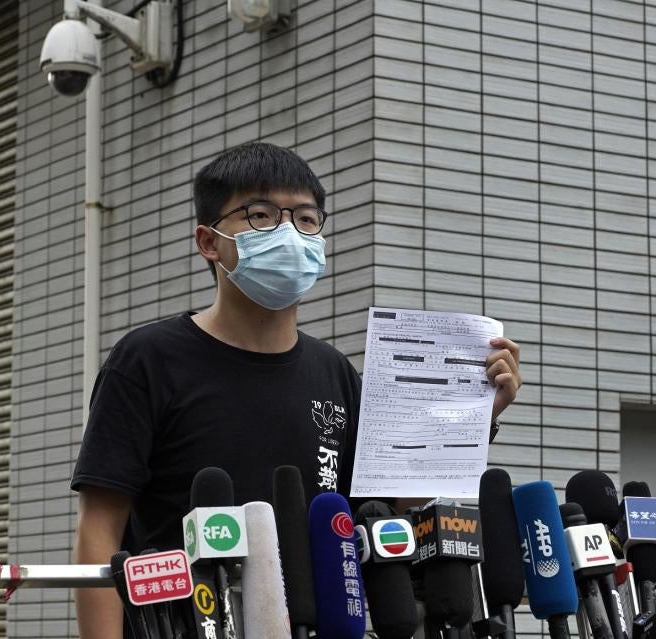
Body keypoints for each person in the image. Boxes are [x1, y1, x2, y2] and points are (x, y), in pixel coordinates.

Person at [71, 142, 522, 639]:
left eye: (306, 219)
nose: (289, 233)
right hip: (185, 624)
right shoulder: (148, 360)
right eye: (260, 214)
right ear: (208, 241)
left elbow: (387, 509)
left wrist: (473, 416)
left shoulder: (334, 373)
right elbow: (100, 529)